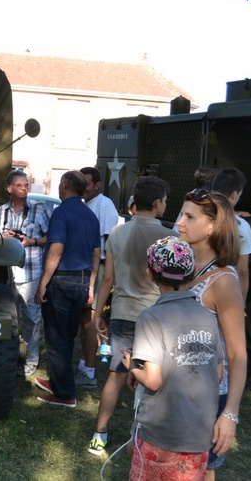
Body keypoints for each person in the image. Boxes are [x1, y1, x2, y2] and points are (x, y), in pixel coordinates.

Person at [123, 236, 224, 481]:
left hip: (162, 434)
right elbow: (218, 373)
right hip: (199, 435)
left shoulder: (152, 316)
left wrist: (132, 364)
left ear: (150, 273)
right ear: (191, 273)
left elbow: (153, 379)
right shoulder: (207, 316)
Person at [87, 177, 176, 455]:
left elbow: (107, 279)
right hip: (157, 316)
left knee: (115, 375)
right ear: (158, 203)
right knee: (155, 378)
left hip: (123, 312)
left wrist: (97, 313)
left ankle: (99, 434)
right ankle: (141, 437)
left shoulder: (117, 233)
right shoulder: (171, 238)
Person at [177, 188, 246, 480]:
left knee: (201, 471)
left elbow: (237, 354)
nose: (179, 222)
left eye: (189, 216)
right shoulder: (186, 267)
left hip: (208, 397)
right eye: (181, 213)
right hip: (177, 390)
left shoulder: (224, 281)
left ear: (212, 227)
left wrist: (229, 414)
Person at [33, 171, 100, 408]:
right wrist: (91, 285)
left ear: (67, 186)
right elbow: (96, 254)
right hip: (82, 281)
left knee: (55, 337)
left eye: (61, 184)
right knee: (68, 336)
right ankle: (60, 381)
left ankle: (64, 394)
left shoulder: (61, 212)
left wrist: (43, 284)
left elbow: (56, 250)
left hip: (61, 281)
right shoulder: (90, 215)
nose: (59, 188)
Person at [0, 169, 50, 378]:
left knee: (32, 319)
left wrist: (31, 241)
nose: (25, 188)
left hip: (31, 273)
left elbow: (50, 238)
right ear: (9, 189)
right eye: (20, 185)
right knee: (8, 318)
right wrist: (3, 238)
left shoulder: (38, 211)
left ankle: (30, 361)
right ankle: (10, 356)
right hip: (6, 274)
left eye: (26, 184)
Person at [77, 166, 119, 388]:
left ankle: (90, 371)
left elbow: (104, 243)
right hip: (87, 266)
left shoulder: (104, 205)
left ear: (97, 185)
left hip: (99, 266)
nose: (84, 187)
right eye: (81, 182)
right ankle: (85, 364)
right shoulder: (88, 204)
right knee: (84, 318)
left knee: (91, 318)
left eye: (88, 183)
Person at [209, 168, 251, 301]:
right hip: (223, 292)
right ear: (234, 195)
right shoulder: (241, 227)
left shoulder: (189, 214)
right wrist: (241, 303)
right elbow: (243, 272)